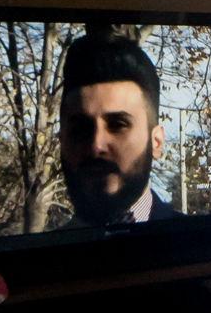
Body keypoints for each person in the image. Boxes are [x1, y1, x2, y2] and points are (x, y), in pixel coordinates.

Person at [55, 30, 180, 228]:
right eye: (80, 128)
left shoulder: (203, 245)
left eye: (118, 125)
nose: (96, 145)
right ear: (62, 141)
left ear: (156, 141)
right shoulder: (38, 257)